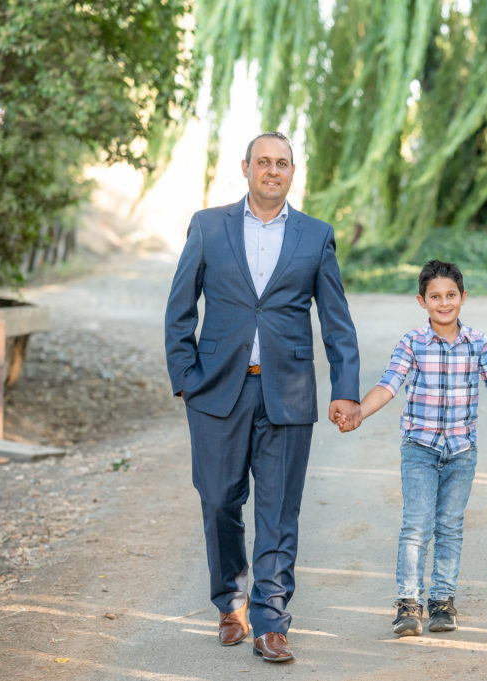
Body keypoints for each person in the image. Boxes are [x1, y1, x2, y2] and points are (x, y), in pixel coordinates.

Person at [164, 131, 362, 663]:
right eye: (263, 162)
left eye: (282, 163)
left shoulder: (315, 236)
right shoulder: (208, 227)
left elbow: (337, 323)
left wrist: (346, 390)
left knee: (278, 508)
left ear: (292, 173)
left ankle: (271, 619)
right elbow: (180, 308)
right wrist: (185, 376)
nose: (272, 170)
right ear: (246, 168)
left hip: (289, 392)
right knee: (219, 500)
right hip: (215, 391)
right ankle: (230, 602)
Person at [342, 259, 487, 636]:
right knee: (416, 524)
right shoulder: (412, 343)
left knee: (450, 526)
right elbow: (388, 384)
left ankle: (442, 602)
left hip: (462, 451)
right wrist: (360, 411)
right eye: (434, 296)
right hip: (420, 448)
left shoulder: (478, 342)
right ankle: (409, 604)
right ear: (421, 301)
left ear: (463, 297)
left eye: (450, 295)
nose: (443, 303)